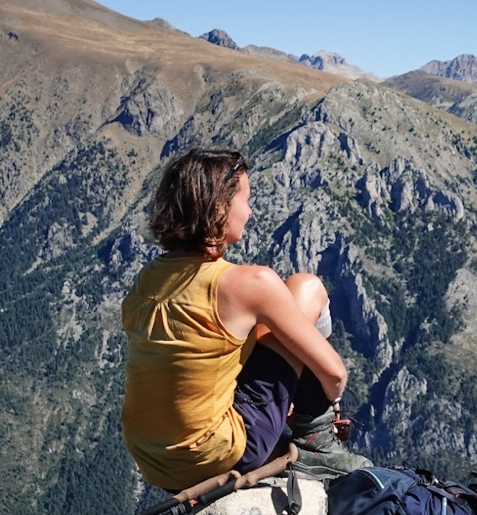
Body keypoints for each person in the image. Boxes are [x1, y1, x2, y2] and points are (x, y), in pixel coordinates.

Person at [120, 147, 368, 492]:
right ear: (221, 207)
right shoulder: (250, 284)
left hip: (154, 464)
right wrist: (325, 402)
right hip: (219, 456)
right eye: (245, 199)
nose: (250, 211)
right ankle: (317, 440)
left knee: (271, 324)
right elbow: (335, 373)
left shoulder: (147, 278)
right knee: (305, 288)